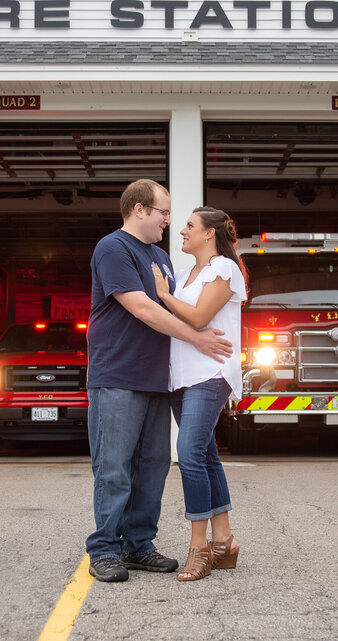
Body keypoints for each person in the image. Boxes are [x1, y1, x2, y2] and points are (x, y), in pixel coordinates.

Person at [85, 180, 234, 584]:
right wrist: (198, 338)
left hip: (157, 379)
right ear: (139, 210)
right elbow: (142, 308)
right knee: (113, 467)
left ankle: (138, 545)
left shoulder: (160, 257)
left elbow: (182, 304)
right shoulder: (113, 248)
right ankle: (104, 550)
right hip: (117, 374)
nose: (169, 221)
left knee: (152, 467)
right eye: (163, 212)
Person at [153, 206, 247, 582]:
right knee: (206, 455)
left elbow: (197, 319)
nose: (182, 231)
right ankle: (224, 541)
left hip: (210, 373)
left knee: (189, 453)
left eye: (189, 226)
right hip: (183, 376)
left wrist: (163, 294)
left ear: (209, 233)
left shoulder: (223, 268)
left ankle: (199, 547)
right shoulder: (189, 272)